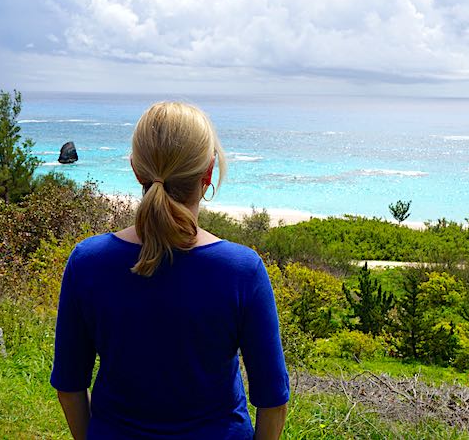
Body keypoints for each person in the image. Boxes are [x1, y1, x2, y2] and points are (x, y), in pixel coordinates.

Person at [50, 102, 290, 439]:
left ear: (136, 170)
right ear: (208, 173)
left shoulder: (88, 262)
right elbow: (273, 402)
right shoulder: (241, 271)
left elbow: (69, 385)